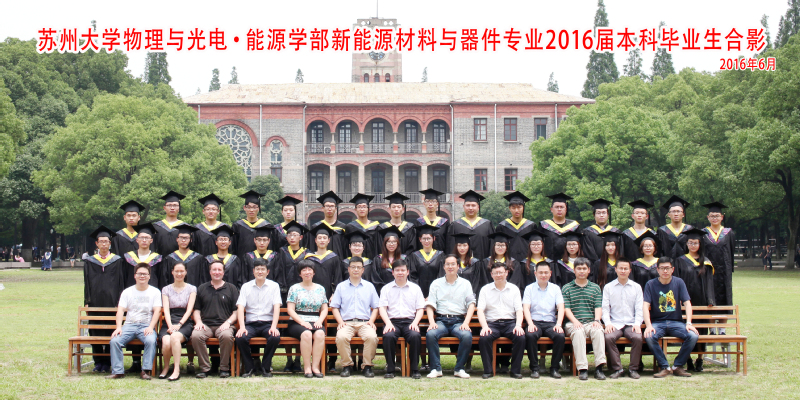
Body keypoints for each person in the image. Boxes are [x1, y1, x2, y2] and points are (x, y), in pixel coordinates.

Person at [643, 257, 700, 378]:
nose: (665, 271)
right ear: (657, 270)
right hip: (658, 323)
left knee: (693, 336)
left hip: (676, 322)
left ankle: (677, 366)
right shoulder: (651, 284)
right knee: (649, 336)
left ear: (672, 269)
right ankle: (665, 367)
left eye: (667, 268)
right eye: (662, 268)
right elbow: (645, 306)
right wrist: (648, 325)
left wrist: (689, 323)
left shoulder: (679, 282)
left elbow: (687, 303)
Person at [106, 264, 162, 380]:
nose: (142, 276)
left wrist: (151, 327)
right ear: (135, 276)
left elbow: (157, 311)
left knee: (151, 340)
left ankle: (145, 371)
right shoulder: (127, 292)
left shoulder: (155, 292)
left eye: (145, 274)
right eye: (139, 274)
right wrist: (119, 327)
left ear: (149, 276)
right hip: (129, 325)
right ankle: (118, 371)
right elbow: (120, 310)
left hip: (146, 325)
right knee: (115, 341)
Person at [425, 254, 476, 379]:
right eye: (447, 264)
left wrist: (466, 323)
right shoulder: (436, 283)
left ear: (458, 266)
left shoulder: (465, 284)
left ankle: (459, 369)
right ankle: (436, 369)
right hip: (441, 320)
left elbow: (471, 304)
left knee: (466, 335)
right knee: (431, 334)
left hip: (458, 321)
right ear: (444, 267)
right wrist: (432, 322)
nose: (450, 266)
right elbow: (430, 305)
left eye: (453, 264)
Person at [84, 226, 125, 373]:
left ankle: (107, 362)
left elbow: (120, 282)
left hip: (112, 302)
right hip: (95, 301)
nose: (103, 244)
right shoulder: (90, 261)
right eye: (100, 241)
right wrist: (87, 301)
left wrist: (120, 301)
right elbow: (86, 283)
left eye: (106, 241)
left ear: (110, 243)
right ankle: (98, 362)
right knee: (94, 331)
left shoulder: (117, 261)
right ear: (96, 244)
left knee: (111, 331)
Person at [331, 257, 380, 378]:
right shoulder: (341, 287)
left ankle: (367, 366)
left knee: (372, 337)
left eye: (359, 267)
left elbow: (376, 307)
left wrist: (371, 321)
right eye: (353, 267)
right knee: (341, 337)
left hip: (365, 322)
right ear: (348, 269)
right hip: (346, 323)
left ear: (363, 270)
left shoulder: (369, 286)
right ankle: (347, 366)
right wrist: (340, 322)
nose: (356, 270)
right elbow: (335, 307)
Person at [673, 227, 715, 372]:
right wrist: (677, 298)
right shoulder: (680, 261)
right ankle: (688, 359)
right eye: (690, 243)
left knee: (702, 331)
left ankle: (700, 359)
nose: (693, 245)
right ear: (686, 244)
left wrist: (710, 299)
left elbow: (709, 283)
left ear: (700, 244)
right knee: (686, 330)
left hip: (702, 302)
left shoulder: (706, 262)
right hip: (685, 301)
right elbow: (676, 281)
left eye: (695, 243)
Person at [190, 260, 239, 379]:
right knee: (196, 336)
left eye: (219, 270)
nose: (217, 272)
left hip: (224, 324)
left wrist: (228, 322)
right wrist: (199, 322)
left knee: (226, 336)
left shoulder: (231, 288)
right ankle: (205, 368)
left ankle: (224, 368)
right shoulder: (202, 288)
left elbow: (236, 311)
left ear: (223, 272)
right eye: (214, 270)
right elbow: (196, 310)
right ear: (210, 272)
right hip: (205, 325)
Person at [235, 258, 282, 378]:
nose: (260, 272)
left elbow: (276, 307)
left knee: (274, 337)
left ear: (268, 272)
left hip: (267, 323)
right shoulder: (246, 286)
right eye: (257, 269)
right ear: (253, 271)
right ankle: (249, 368)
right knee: (240, 338)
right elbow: (240, 307)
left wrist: (274, 327)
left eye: (262, 269)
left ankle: (265, 368)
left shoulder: (274, 286)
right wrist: (242, 327)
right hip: (251, 324)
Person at [477, 262, 525, 379]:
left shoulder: (514, 289)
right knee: (484, 338)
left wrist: (518, 325)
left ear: (506, 273)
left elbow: (519, 310)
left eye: (501, 272)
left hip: (510, 323)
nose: (498, 275)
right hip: (492, 324)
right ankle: (488, 370)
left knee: (520, 337)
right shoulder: (485, 289)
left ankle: (515, 370)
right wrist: (485, 327)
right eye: (496, 273)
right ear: (491, 274)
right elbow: (480, 310)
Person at [379, 259, 425, 379]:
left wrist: (415, 323)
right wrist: (388, 323)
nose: (400, 273)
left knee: (415, 336)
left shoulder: (415, 288)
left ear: (407, 272)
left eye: (403, 270)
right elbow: (382, 308)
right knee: (388, 336)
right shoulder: (386, 289)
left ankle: (414, 369)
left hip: (410, 322)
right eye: (397, 270)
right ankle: (390, 369)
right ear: (392, 272)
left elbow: (420, 309)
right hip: (392, 322)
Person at [562, 257, 606, 380]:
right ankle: (583, 369)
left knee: (598, 331)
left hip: (591, 322)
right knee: (578, 332)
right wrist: (575, 322)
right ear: (574, 270)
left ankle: (599, 368)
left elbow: (598, 307)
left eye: (584, 268)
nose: (582, 271)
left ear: (589, 270)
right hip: (573, 323)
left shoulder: (595, 288)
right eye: (579, 268)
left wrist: (597, 320)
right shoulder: (567, 288)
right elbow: (567, 309)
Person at [274, 220, 309, 372]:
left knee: (301, 326)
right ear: (286, 237)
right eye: (290, 235)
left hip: (303, 295)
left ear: (301, 237)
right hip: (285, 294)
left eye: (295, 235)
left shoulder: (307, 253)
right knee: (286, 327)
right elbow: (277, 272)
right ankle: (289, 360)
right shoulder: (281, 252)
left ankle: (298, 360)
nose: (292, 237)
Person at [522, 260, 565, 379]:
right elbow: (526, 308)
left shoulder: (555, 288)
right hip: (534, 322)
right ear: (535, 273)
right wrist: (530, 324)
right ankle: (534, 368)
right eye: (540, 272)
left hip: (550, 323)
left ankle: (554, 368)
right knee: (530, 335)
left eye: (546, 272)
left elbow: (561, 307)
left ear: (550, 273)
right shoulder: (529, 288)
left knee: (560, 336)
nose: (543, 275)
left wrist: (559, 324)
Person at [286, 259, 329, 378]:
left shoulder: (320, 289)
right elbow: (290, 310)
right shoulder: (294, 288)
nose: (307, 272)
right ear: (300, 274)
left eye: (309, 269)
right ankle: (307, 367)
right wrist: (303, 322)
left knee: (320, 334)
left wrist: (320, 321)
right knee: (307, 334)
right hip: (297, 321)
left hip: (315, 320)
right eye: (304, 270)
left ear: (314, 272)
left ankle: (315, 367)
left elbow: (324, 309)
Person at [602, 258, 643, 379]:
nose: (623, 271)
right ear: (616, 269)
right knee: (609, 337)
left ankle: (633, 369)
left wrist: (637, 323)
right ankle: (618, 369)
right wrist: (608, 323)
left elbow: (639, 308)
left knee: (637, 337)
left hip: (631, 323)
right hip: (615, 323)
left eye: (626, 269)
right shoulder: (608, 287)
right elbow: (605, 308)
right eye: (621, 268)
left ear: (630, 270)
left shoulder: (636, 287)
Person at [157, 262, 197, 381]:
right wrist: (170, 325)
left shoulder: (192, 289)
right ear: (172, 272)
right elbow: (166, 310)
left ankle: (176, 369)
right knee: (166, 341)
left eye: (181, 271)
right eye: (176, 271)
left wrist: (179, 325)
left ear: (186, 272)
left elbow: (189, 310)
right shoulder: (166, 289)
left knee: (174, 337)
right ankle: (166, 367)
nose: (179, 274)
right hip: (169, 320)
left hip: (184, 322)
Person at [702, 201, 734, 312]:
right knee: (709, 296)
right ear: (708, 217)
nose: (714, 218)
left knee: (725, 296)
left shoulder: (728, 233)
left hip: (724, 271)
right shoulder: (703, 233)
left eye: (717, 216)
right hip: (708, 270)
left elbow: (731, 251)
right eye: (712, 216)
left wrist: (730, 269)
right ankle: (710, 323)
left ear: (722, 217)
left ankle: (723, 323)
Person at [448, 190, 494, 260]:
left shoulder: (487, 225)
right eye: (468, 205)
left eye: (473, 205)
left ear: (478, 207)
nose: (470, 208)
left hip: (483, 264)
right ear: (463, 207)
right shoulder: (455, 225)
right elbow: (450, 247)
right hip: (461, 265)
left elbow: (492, 247)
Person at [495, 191, 538, 264]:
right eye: (513, 207)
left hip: (527, 263)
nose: (516, 210)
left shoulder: (531, 226)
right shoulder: (502, 226)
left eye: (519, 207)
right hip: (508, 263)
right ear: (509, 208)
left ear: (523, 208)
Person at [407, 224, 446, 298]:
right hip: (418, 295)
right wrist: (419, 295)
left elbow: (441, 275)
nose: (426, 241)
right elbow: (412, 276)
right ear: (420, 239)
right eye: (424, 238)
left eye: (429, 238)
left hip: (437, 294)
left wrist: (433, 295)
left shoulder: (440, 255)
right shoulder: (414, 256)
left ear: (434, 239)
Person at [539, 192, 580, 261]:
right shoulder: (544, 225)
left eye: (562, 207)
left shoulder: (574, 226)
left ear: (566, 209)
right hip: (549, 262)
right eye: (556, 207)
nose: (559, 209)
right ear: (551, 209)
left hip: (569, 263)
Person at [232, 190, 272, 260]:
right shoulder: (237, 226)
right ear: (244, 208)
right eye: (249, 207)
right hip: (242, 262)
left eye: (254, 207)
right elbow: (233, 247)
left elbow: (271, 247)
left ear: (259, 208)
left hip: (262, 263)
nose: (251, 210)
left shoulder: (266, 226)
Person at [308, 191, 348, 258]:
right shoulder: (316, 227)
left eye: (332, 206)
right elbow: (312, 247)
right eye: (327, 206)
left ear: (335, 209)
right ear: (323, 208)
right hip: (319, 261)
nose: (329, 208)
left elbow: (345, 248)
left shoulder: (342, 227)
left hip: (338, 261)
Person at [369, 225, 407, 295]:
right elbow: (376, 280)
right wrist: (388, 291)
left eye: (394, 241)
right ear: (385, 243)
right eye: (388, 241)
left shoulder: (404, 259)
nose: (391, 244)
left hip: (401, 294)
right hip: (384, 295)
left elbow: (408, 278)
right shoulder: (378, 259)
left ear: (398, 243)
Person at [124, 223, 163, 289]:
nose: (144, 240)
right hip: (132, 291)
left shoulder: (157, 259)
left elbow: (160, 279)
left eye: (147, 238)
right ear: (137, 240)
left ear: (151, 241)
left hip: (151, 292)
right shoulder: (129, 258)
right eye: (141, 238)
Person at [582, 198, 621, 263]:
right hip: (594, 265)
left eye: (604, 213)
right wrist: (598, 264)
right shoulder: (587, 232)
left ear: (608, 214)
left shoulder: (615, 231)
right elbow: (588, 252)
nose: (601, 215)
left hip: (614, 265)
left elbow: (619, 250)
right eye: (598, 213)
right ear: (594, 215)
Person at [205, 225, 243, 289]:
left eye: (225, 239)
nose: (223, 242)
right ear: (216, 242)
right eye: (220, 239)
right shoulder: (208, 260)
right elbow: (204, 279)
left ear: (230, 242)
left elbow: (239, 280)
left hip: (231, 293)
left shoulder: (235, 260)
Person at [346, 193, 382, 259]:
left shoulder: (376, 227)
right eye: (359, 207)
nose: (362, 209)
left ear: (369, 209)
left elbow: (379, 247)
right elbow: (346, 248)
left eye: (364, 207)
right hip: (355, 262)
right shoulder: (350, 227)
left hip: (372, 261)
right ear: (355, 209)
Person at [415, 188, 449, 252]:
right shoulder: (419, 222)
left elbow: (448, 244)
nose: (430, 204)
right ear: (424, 204)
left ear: (437, 204)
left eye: (433, 201)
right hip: (422, 257)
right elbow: (416, 244)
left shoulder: (444, 223)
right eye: (427, 201)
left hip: (441, 257)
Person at [153, 191, 186, 256]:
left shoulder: (185, 227)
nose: (172, 208)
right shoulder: (156, 227)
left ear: (179, 208)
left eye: (175, 205)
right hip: (160, 260)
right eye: (169, 205)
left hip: (179, 261)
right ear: (164, 208)